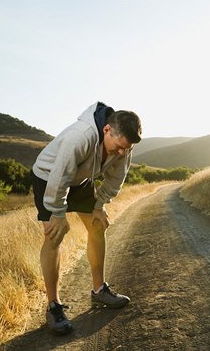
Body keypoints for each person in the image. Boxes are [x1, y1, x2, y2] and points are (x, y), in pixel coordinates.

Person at [31, 101, 142, 335]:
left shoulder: (124, 145)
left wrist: (99, 205)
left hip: (81, 179)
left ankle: (99, 290)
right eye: (119, 147)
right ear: (106, 130)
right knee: (55, 235)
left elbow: (115, 179)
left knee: (97, 225)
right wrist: (58, 213)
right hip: (49, 177)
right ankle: (54, 307)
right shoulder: (79, 137)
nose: (122, 153)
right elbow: (60, 175)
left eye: (127, 149)